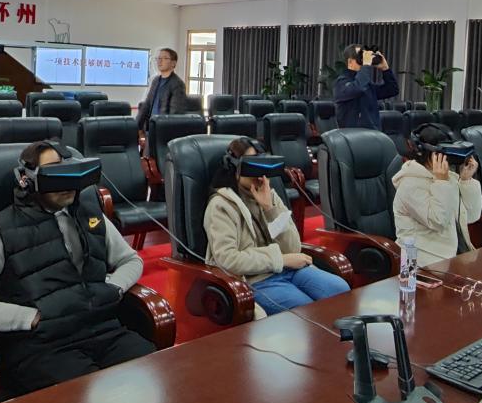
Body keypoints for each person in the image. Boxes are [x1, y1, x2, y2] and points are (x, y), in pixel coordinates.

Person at [0, 141, 155, 397]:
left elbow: (131, 260)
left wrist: (112, 288)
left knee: (155, 376)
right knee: (95, 400)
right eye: (56, 173)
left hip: (103, 329)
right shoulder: (0, 229)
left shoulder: (89, 215)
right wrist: (31, 317)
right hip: (43, 347)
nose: (67, 182)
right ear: (27, 181)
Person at [203, 137, 350, 314]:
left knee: (340, 289)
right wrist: (280, 259)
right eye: (252, 165)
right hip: (256, 280)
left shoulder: (269, 195)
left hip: (289, 270)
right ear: (234, 167)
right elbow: (228, 259)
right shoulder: (221, 205)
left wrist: (270, 209)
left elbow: (293, 247)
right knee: (304, 308)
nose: (259, 174)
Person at [392, 123, 482, 265]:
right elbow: (438, 221)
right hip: (420, 262)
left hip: (452, 256)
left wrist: (466, 181)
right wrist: (441, 183)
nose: (447, 158)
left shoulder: (446, 177)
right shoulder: (409, 184)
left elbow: (472, 216)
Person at [334, 43, 399, 129]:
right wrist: (366, 65)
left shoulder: (367, 84)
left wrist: (385, 69)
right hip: (352, 135)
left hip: (372, 133)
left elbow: (393, 89)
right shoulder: (341, 83)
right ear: (350, 62)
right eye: (360, 57)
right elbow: (358, 88)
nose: (364, 60)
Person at [137, 47, 186, 133]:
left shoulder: (177, 84)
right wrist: (138, 126)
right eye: (158, 58)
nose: (160, 61)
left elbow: (175, 114)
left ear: (173, 63)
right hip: (151, 128)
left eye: (165, 58)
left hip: (164, 131)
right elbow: (147, 104)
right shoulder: (156, 80)